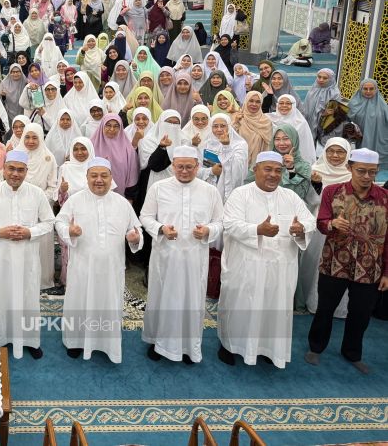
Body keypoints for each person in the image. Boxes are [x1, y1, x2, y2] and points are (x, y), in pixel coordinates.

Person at [217, 151, 316, 368]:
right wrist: (257, 229)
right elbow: (230, 224)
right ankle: (229, 345)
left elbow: (310, 221)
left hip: (281, 268)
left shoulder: (290, 197)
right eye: (267, 169)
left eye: (278, 171)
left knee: (274, 308)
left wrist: (301, 228)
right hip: (246, 266)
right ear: (255, 170)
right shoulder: (240, 194)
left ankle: (269, 349)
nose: (273, 175)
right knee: (240, 306)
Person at [306, 148, 387, 375]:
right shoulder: (332, 191)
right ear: (349, 168)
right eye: (361, 171)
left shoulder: (384, 198)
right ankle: (316, 347)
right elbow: (321, 222)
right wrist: (332, 224)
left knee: (360, 313)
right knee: (325, 308)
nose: (366, 177)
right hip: (334, 262)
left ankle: (352, 353)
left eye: (372, 172)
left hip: (370, 267)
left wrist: (386, 272)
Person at [139, 146, 224, 363]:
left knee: (191, 301)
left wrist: (208, 230)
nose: (184, 171)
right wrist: (161, 229)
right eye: (180, 167)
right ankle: (158, 342)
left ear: (197, 166)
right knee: (163, 298)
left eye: (189, 167)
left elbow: (220, 222)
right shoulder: (158, 188)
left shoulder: (210, 191)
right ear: (173, 166)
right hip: (165, 256)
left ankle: (188, 346)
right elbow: (145, 216)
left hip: (195, 257)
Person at [55, 157, 143, 362]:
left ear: (111, 178)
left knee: (107, 304)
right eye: (94, 175)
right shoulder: (75, 200)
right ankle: (76, 341)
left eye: (104, 175)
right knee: (79, 301)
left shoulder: (122, 203)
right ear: (86, 178)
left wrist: (135, 237)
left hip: (111, 267)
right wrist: (69, 231)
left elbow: (135, 228)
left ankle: (106, 343)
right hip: (82, 265)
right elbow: (60, 221)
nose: (99, 180)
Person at [0, 151, 54, 359]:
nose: (15, 174)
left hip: (27, 258)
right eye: (11, 168)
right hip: (0, 257)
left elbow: (49, 222)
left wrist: (30, 232)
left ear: (27, 171)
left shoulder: (37, 193)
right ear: (4, 169)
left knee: (28, 297)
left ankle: (29, 340)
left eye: (20, 170)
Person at [347, 78, 388, 164]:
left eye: (371, 89)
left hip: (378, 140)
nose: (368, 91)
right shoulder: (353, 104)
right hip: (360, 139)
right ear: (360, 89)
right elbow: (346, 120)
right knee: (361, 161)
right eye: (365, 89)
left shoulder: (383, 106)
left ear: (376, 89)